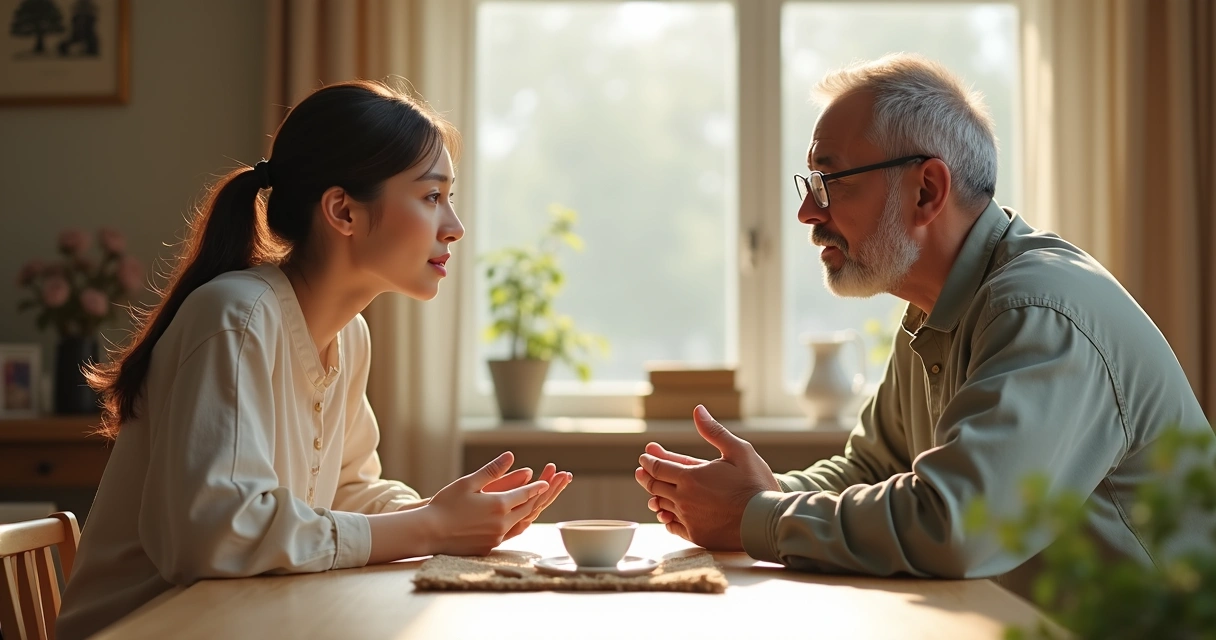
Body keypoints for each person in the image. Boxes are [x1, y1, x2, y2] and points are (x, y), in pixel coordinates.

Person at [634, 54, 1214, 596]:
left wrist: (753, 516)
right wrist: (762, 493)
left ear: (927, 191)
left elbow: (956, 523)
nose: (807, 212)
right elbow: (874, 467)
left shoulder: (1037, 311)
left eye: (829, 181)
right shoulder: (935, 308)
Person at [58, 81, 571, 639]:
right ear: (343, 211)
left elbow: (348, 491)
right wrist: (429, 528)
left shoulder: (349, 336)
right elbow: (217, 536)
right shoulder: (236, 316)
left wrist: (449, 512)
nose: (455, 225)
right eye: (431, 196)